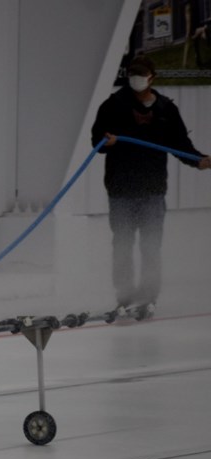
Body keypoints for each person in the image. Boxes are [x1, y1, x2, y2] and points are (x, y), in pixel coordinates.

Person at [91, 55, 210, 310]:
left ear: (151, 77)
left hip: (153, 190)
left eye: (141, 75)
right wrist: (106, 141)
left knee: (151, 246)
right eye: (133, 74)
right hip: (120, 190)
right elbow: (96, 141)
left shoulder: (166, 110)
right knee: (122, 244)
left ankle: (149, 295)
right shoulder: (113, 105)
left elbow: (179, 144)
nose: (137, 79)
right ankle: (124, 294)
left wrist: (198, 160)